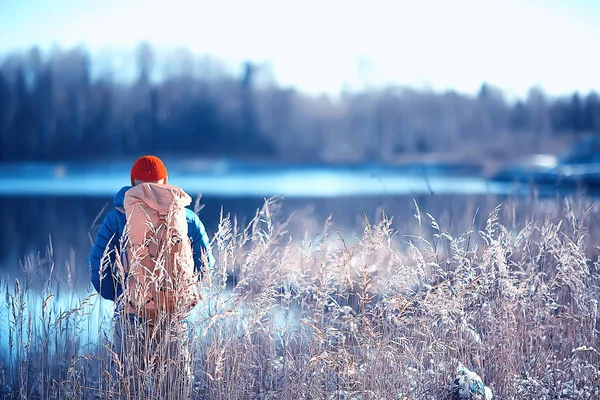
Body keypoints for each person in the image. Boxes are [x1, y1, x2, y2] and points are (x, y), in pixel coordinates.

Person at [87, 155, 214, 395]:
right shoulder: (186, 218)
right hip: (174, 312)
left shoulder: (117, 218)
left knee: (128, 387)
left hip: (132, 312)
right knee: (175, 388)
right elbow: (207, 266)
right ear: (165, 181)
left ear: (132, 182)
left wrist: (119, 294)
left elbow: (98, 267)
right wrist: (186, 292)